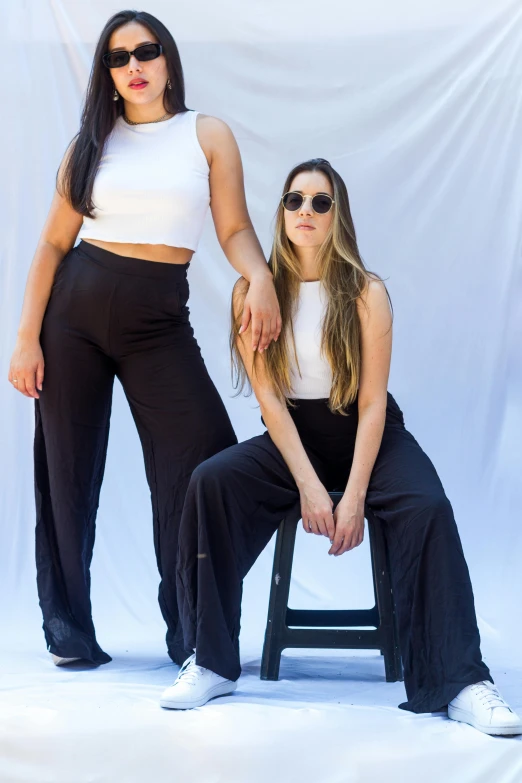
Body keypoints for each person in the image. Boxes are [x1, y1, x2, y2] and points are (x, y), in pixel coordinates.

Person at [161, 158, 521, 736]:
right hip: (294, 436)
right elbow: (271, 404)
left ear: (338, 215)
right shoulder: (253, 293)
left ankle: (461, 681)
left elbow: (374, 404)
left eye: (320, 202)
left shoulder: (365, 291)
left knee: (428, 507)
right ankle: (210, 660)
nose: (305, 211)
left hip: (368, 431)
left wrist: (352, 497)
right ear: (281, 213)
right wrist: (308, 484)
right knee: (212, 481)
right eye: (294, 200)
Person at [7, 10, 280, 668]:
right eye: (119, 56)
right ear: (107, 72)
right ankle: (68, 629)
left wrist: (261, 275)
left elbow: (234, 227)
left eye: (147, 51)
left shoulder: (205, 134)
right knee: (66, 473)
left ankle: (190, 628)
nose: (134, 65)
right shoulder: (90, 144)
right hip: (71, 315)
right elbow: (51, 242)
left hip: (158, 320)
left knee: (205, 456)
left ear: (167, 61)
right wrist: (24, 338)